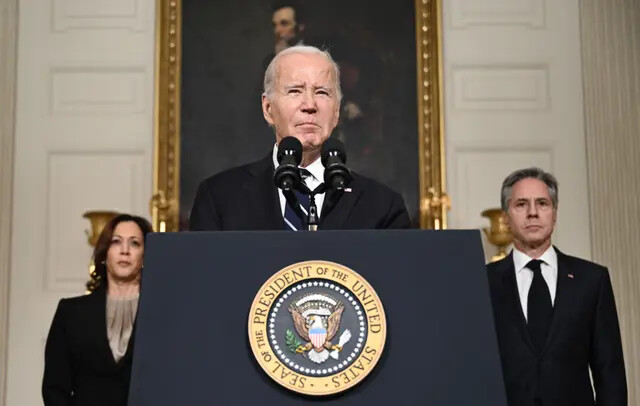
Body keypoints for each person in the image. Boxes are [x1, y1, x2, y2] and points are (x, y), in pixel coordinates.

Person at [190, 45, 410, 230]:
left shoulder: (383, 207)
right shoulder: (219, 198)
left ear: (336, 112)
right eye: (295, 91)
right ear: (268, 108)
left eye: (322, 92)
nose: (310, 105)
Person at [487, 167, 627, 406]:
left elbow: (610, 374)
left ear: (554, 213)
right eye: (521, 204)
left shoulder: (592, 281)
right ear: (505, 217)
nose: (533, 213)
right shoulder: (484, 282)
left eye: (542, 203)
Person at [42, 214, 153, 406]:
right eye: (116, 242)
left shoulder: (161, 315)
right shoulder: (71, 313)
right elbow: (55, 388)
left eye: (134, 243)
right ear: (104, 253)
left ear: (145, 255)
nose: (125, 251)